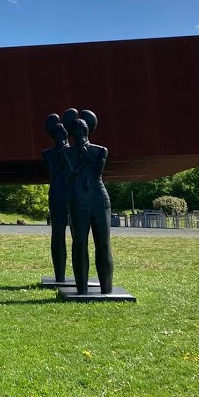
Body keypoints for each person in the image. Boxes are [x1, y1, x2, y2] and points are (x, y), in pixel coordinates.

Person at [66, 109, 113, 294]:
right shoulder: (67, 153)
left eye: (83, 130)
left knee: (103, 243)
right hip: (78, 199)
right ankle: (82, 288)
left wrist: (84, 154)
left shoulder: (101, 150)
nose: (80, 134)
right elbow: (72, 172)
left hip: (98, 197)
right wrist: (81, 155)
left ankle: (106, 287)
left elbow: (96, 173)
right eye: (76, 131)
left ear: (88, 131)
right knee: (79, 243)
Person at [42, 113, 72, 282]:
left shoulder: (72, 151)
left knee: (78, 236)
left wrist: (65, 148)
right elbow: (56, 170)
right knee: (58, 233)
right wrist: (62, 149)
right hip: (57, 194)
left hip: (72, 194)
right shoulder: (49, 153)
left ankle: (78, 274)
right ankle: (59, 275)